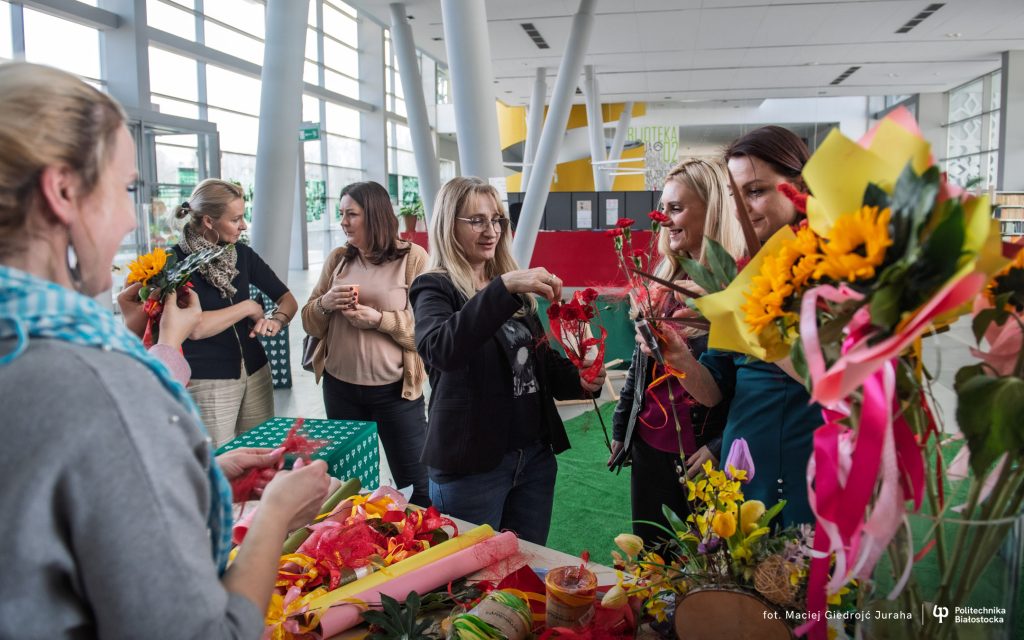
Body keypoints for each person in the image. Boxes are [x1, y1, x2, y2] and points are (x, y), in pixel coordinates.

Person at [0, 62, 330, 638]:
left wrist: (202, 476)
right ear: (63, 191)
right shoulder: (98, 385)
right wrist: (277, 513)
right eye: (125, 188)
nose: (131, 217)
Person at [410, 176, 606, 545]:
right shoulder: (434, 287)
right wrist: (504, 287)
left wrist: (579, 379)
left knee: (526, 566)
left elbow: (537, 362)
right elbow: (441, 349)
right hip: (472, 468)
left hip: (533, 460)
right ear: (448, 225)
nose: (491, 231)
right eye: (477, 220)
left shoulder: (510, 289)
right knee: (470, 574)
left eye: (497, 219)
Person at [651, 126, 821, 526]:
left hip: (801, 475)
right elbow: (715, 390)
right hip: (741, 473)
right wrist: (679, 358)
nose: (743, 208)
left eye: (756, 191)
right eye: (734, 195)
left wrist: (737, 310)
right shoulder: (748, 272)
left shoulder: (829, 271)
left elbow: (826, 378)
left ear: (799, 188)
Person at [609, 158, 745, 544]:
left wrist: (720, 446)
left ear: (712, 211)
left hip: (700, 452)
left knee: (705, 561)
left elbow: (749, 387)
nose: (664, 219)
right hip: (649, 446)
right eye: (663, 208)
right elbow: (640, 366)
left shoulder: (735, 289)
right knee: (652, 553)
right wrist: (623, 427)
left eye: (676, 208)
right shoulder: (664, 279)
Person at [301, 181, 431, 507]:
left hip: (396, 395)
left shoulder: (413, 259)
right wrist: (326, 303)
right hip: (339, 389)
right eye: (341, 214)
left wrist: (379, 320)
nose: (343, 222)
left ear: (374, 215)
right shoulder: (338, 259)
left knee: (418, 485)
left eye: (351, 214)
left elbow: (426, 331)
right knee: (348, 488)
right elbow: (309, 321)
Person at [173, 179, 298, 446]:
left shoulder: (242, 254)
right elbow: (195, 327)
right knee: (219, 462)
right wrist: (248, 307)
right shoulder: (176, 263)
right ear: (209, 221)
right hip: (208, 381)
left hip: (256, 372)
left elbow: (287, 299)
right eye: (235, 219)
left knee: (263, 455)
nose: (244, 225)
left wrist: (276, 320)